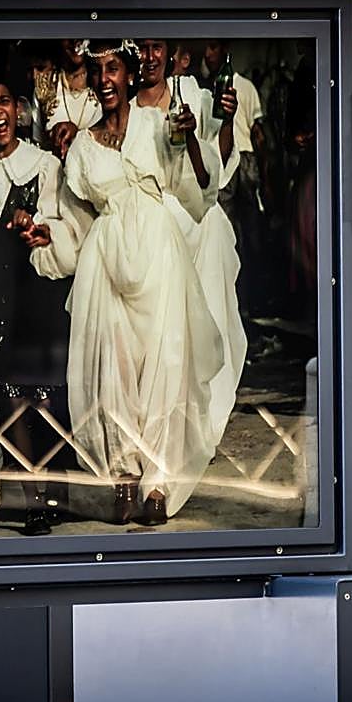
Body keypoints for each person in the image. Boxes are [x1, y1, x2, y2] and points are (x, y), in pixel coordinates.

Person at [60, 38, 223, 526]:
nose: (106, 79)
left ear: (129, 75)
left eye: (113, 69)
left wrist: (192, 139)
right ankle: (124, 479)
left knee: (165, 364)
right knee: (116, 370)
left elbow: (196, 188)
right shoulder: (83, 148)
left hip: (158, 251)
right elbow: (76, 215)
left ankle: (159, 481)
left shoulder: (156, 125)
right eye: (98, 71)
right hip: (108, 258)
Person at [0, 72, 78, 537]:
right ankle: (32, 498)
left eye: (4, 101)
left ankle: (55, 490)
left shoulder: (43, 165)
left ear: (19, 109)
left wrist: (38, 223)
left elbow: (58, 220)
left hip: (35, 291)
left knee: (42, 397)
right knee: (8, 399)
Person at [133, 37, 246, 447]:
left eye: (156, 48)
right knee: (166, 336)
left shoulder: (196, 95)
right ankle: (165, 430)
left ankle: (203, 429)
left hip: (200, 221)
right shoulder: (128, 110)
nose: (149, 57)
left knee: (208, 323)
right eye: (142, 49)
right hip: (158, 227)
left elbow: (218, 158)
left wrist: (228, 121)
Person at [202, 39, 268, 319]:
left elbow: (258, 131)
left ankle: (252, 295)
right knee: (225, 230)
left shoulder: (246, 86)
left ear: (225, 51)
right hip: (223, 161)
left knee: (251, 229)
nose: (208, 54)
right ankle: (230, 296)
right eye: (206, 49)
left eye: (213, 48)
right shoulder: (205, 90)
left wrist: (265, 174)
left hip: (246, 159)